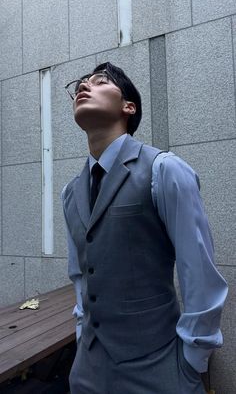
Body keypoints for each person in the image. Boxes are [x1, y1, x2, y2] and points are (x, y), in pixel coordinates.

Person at [62, 62, 228, 394]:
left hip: (159, 371)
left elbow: (200, 273)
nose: (84, 85)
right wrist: (83, 339)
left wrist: (190, 362)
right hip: (87, 375)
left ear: (129, 107)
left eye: (100, 81)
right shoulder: (70, 193)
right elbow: (81, 275)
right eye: (81, 82)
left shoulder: (164, 170)